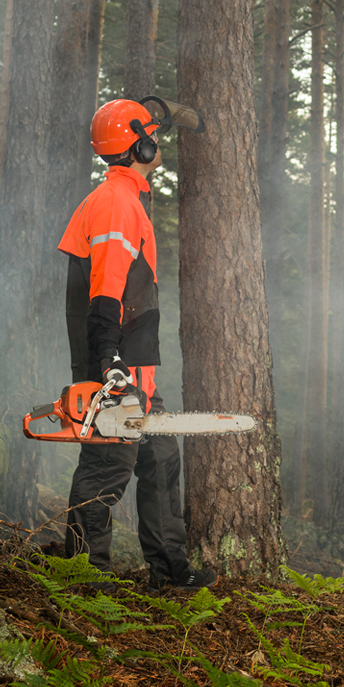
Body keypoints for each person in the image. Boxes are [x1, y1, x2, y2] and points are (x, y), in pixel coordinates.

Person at [60, 99, 216, 593]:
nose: (158, 141)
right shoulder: (115, 203)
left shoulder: (128, 198)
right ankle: (84, 580)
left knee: (161, 456)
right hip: (117, 363)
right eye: (152, 134)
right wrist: (110, 360)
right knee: (108, 463)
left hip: (134, 364)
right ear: (138, 145)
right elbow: (105, 290)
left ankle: (170, 571)